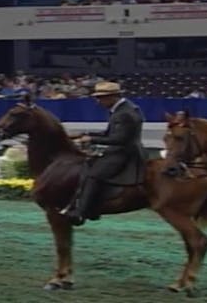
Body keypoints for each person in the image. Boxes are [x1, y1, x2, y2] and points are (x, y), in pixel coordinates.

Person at [60, 81, 146, 226]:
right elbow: (109, 133)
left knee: (94, 175)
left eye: (101, 98)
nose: (98, 101)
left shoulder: (124, 113)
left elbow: (120, 139)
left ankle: (82, 212)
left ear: (113, 96)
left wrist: (91, 139)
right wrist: (84, 134)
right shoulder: (122, 109)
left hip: (124, 153)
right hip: (122, 149)